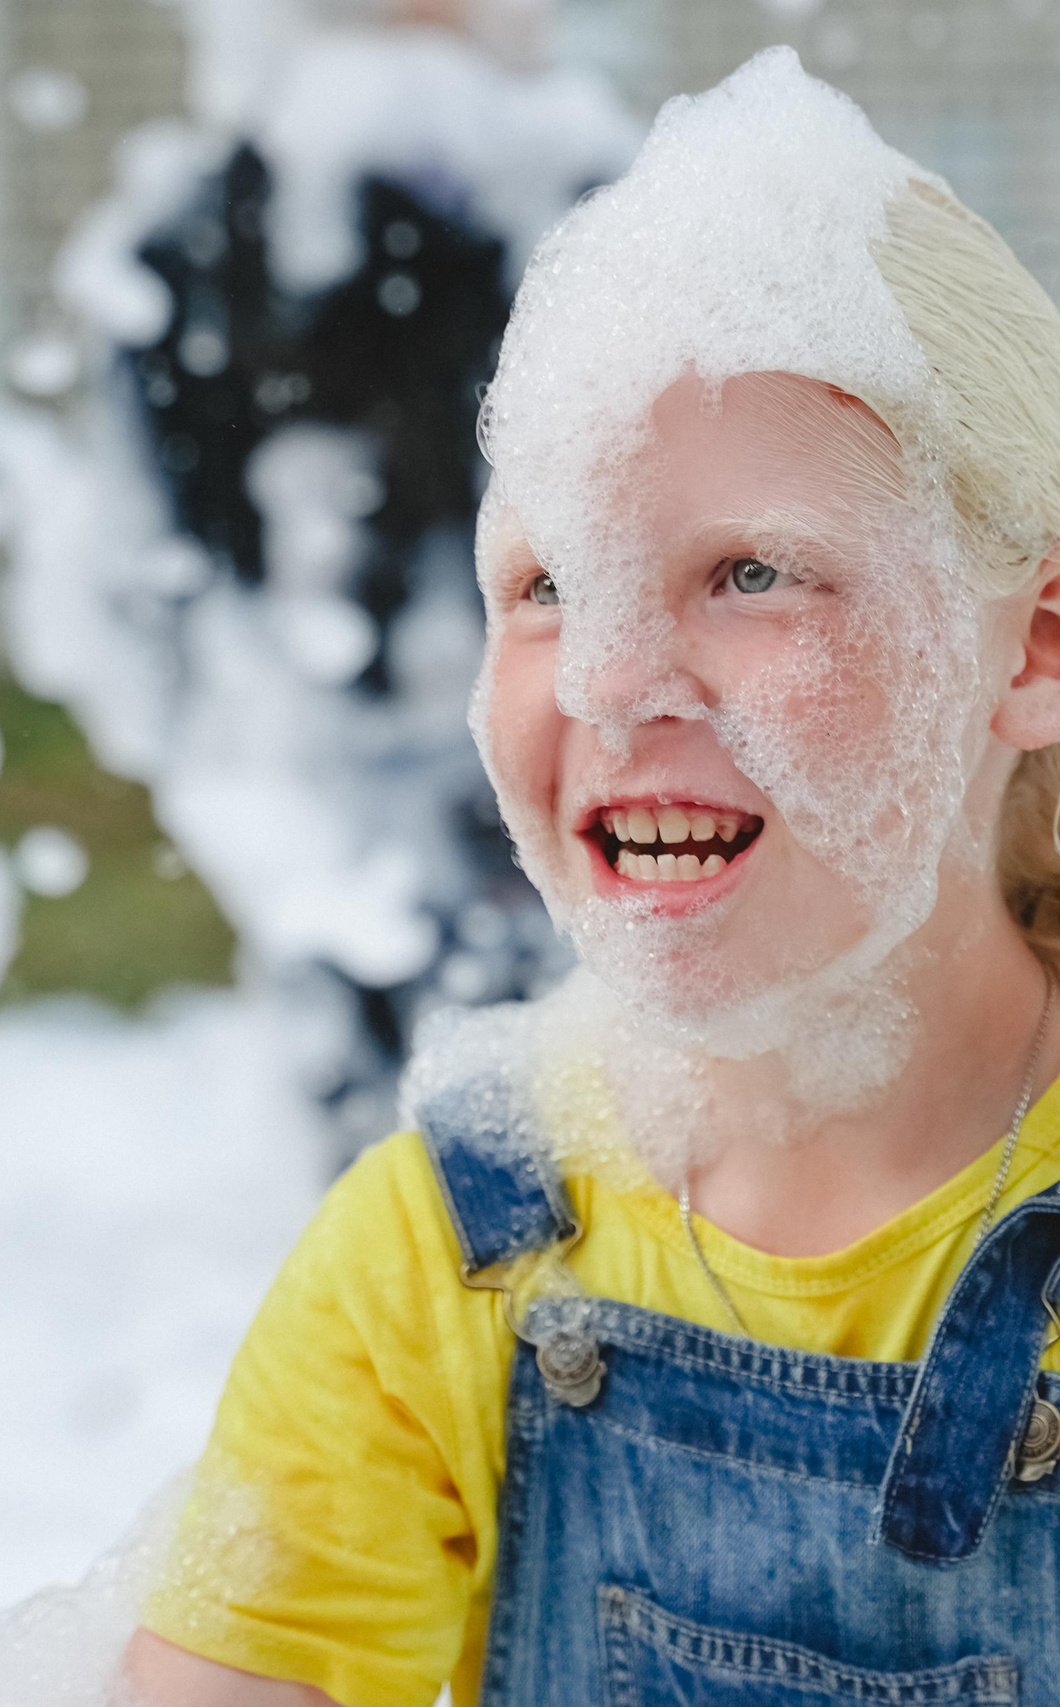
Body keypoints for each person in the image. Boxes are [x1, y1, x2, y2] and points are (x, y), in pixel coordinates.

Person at [112, 52, 1060, 1707]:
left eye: (748, 570)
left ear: (1041, 644)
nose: (607, 680)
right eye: (543, 583)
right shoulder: (445, 1252)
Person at [112, 0, 633, 1156]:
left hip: (533, 678)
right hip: (350, 689)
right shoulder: (240, 215)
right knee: (391, 1025)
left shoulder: (587, 190)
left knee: (560, 1032)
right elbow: (166, 488)